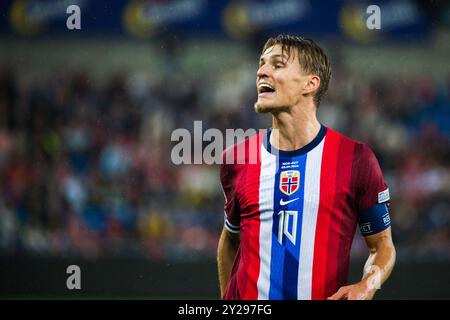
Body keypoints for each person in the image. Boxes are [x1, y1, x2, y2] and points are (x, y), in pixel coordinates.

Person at [217, 35, 396, 300]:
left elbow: (382, 246)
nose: (261, 71)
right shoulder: (237, 158)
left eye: (277, 65)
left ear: (310, 84)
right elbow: (230, 240)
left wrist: (367, 286)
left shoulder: (356, 159)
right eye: (261, 64)